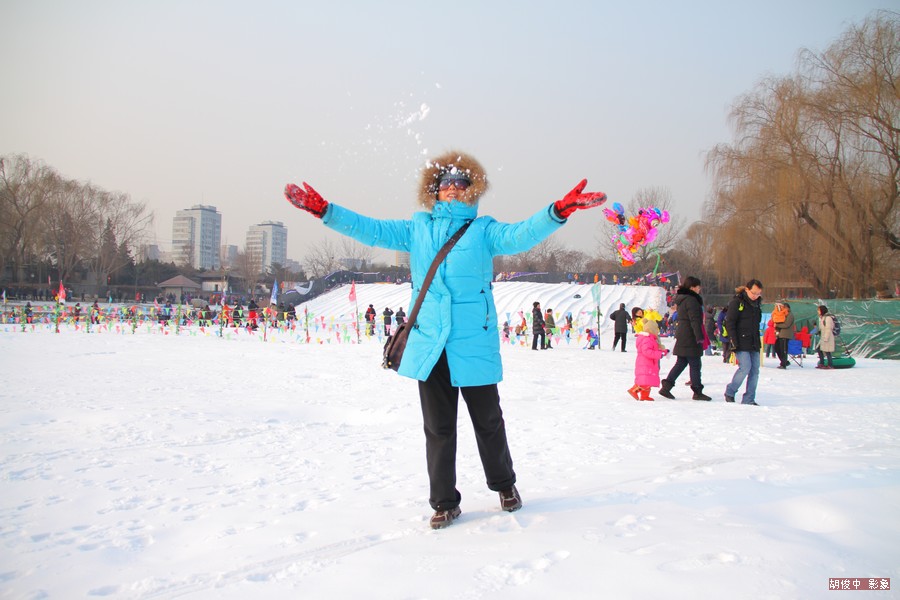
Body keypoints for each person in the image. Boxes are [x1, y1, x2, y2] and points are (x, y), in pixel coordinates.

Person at [284, 149, 606, 529]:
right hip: (429, 344)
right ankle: (444, 502)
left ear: (472, 190)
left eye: (460, 183)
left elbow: (522, 234)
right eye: (445, 183)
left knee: (489, 421)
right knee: (437, 428)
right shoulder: (417, 228)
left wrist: (558, 210)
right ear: (434, 191)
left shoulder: (484, 230)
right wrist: (326, 211)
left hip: (474, 342)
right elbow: (368, 229)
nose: (452, 189)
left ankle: (505, 486)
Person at [659, 276, 711, 401]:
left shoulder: (682, 299)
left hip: (683, 334)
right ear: (692, 288)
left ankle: (666, 387)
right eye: (698, 287)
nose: (699, 290)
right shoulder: (692, 300)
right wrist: (699, 336)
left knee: (681, 362)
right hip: (690, 336)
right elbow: (695, 320)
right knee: (695, 364)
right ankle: (697, 391)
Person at [724, 279, 764, 405]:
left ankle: (749, 398)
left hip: (754, 341)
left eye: (758, 294)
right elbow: (730, 322)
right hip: (740, 341)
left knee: (755, 370)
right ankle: (730, 391)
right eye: (754, 293)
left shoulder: (757, 304)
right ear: (747, 289)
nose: (756, 296)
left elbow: (756, 322)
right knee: (745, 367)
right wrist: (733, 341)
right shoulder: (737, 303)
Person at [629, 318, 669, 401]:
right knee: (644, 380)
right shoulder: (647, 339)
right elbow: (647, 351)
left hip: (649, 363)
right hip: (645, 363)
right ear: (651, 330)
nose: (657, 331)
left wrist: (663, 352)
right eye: (656, 329)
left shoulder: (651, 338)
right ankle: (634, 390)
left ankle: (645, 396)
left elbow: (654, 349)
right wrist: (659, 354)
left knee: (648, 380)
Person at [774, 302, 795, 369]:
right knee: (777, 347)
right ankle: (784, 361)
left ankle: (783, 364)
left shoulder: (790, 315)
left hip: (786, 335)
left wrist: (777, 325)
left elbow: (786, 325)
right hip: (780, 334)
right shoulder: (783, 315)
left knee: (783, 349)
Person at [815, 305, 836, 369]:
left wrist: (826, 338)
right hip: (823, 336)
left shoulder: (828, 318)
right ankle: (822, 363)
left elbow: (828, 328)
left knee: (827, 351)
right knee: (819, 349)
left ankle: (830, 365)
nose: (818, 311)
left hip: (827, 337)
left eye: (819, 310)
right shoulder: (822, 318)